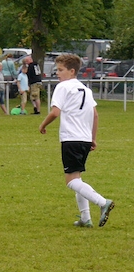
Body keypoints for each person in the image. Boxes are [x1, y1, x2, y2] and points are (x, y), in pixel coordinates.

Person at [39, 54, 115, 228]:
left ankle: (103, 202)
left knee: (71, 181)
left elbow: (55, 112)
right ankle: (85, 218)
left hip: (71, 139)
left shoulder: (63, 87)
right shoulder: (85, 89)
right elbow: (95, 115)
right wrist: (93, 138)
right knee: (77, 178)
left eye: (60, 70)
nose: (57, 73)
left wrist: (43, 124)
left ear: (72, 71)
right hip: (84, 139)